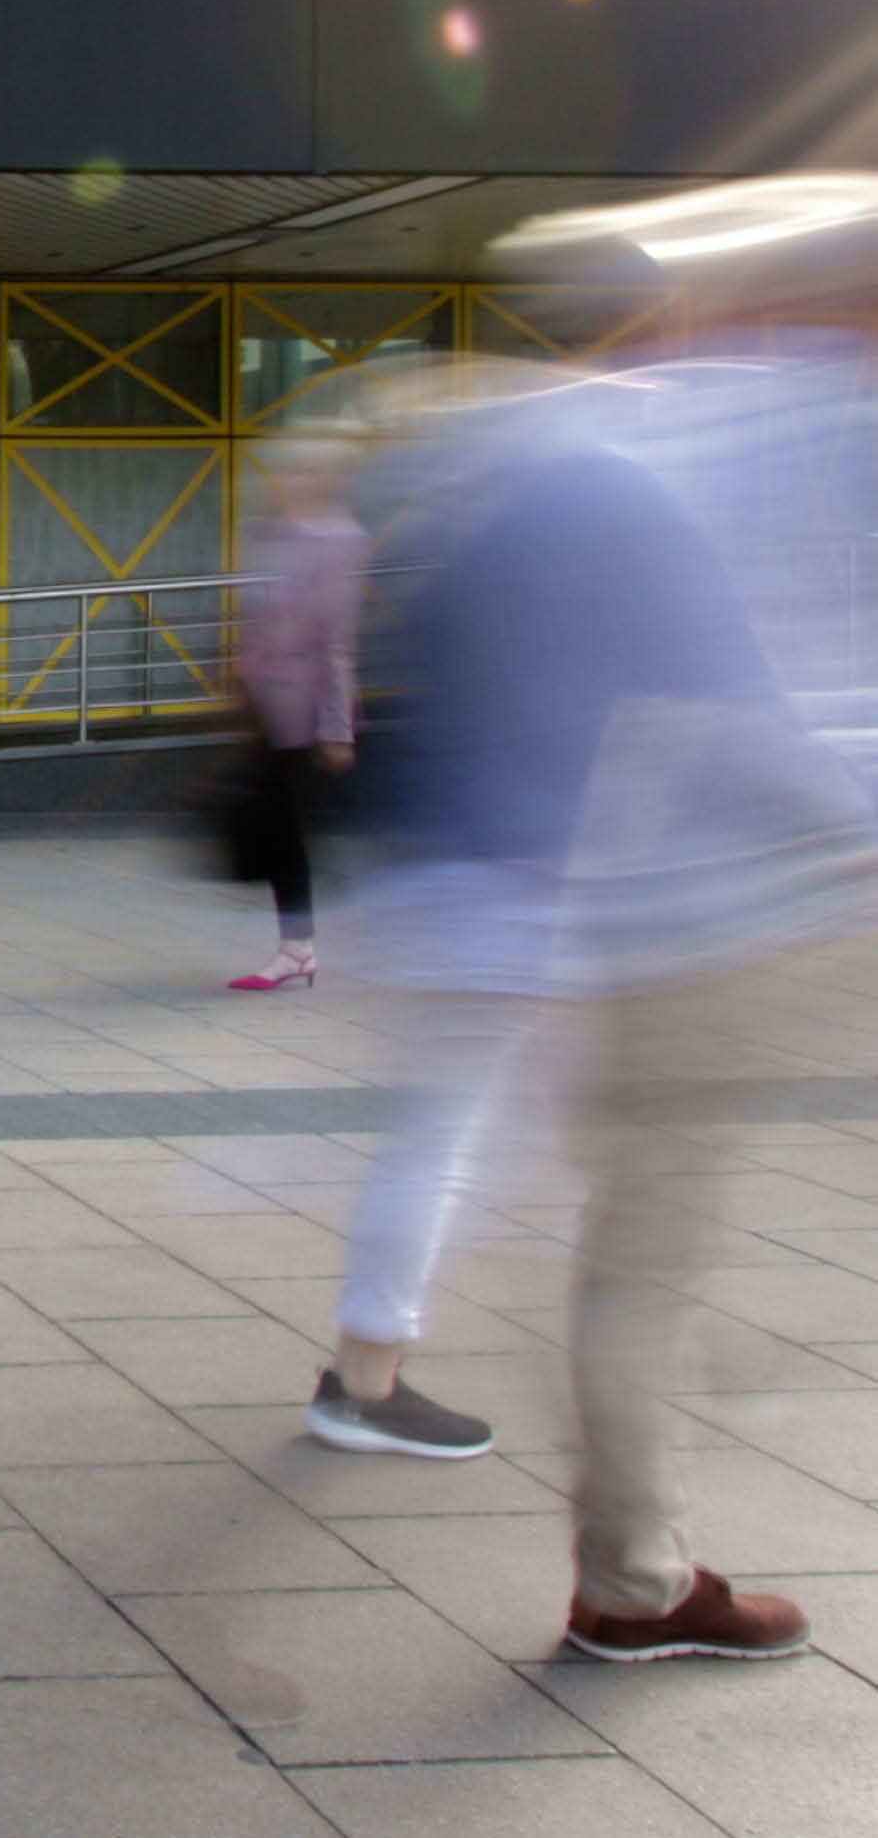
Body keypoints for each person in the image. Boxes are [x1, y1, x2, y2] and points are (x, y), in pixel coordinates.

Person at [305, 344, 870, 1658]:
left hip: (532, 892)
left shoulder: (492, 494)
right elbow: (725, 707)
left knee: (559, 1191)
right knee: (580, 1212)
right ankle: (605, 1547)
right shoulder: (629, 477)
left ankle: (568, 1465)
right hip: (602, 902)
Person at [228, 438, 366, 990]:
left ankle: (299, 947)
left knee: (286, 829)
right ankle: (297, 943)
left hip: (301, 710)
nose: (289, 480)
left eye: (305, 471)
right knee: (274, 824)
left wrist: (338, 729)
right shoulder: (282, 535)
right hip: (265, 703)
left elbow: (336, 641)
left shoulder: (337, 540)